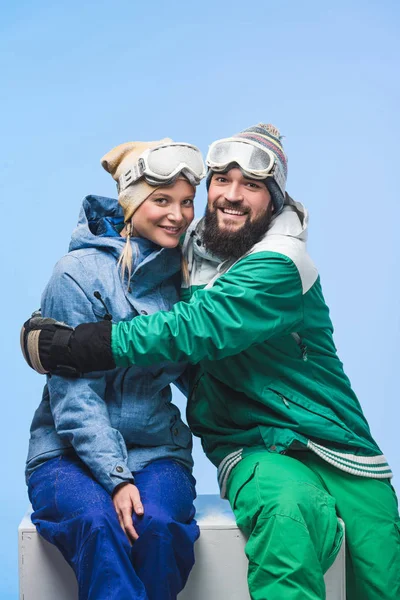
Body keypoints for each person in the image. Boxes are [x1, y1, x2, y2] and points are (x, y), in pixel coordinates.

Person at [22, 124, 400, 599]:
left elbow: (197, 329)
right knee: (283, 522)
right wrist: (42, 328)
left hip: (332, 442)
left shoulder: (279, 262)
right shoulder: (180, 254)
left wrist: (81, 345)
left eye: (253, 185)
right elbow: (128, 233)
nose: (231, 196)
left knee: (382, 577)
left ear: (276, 199)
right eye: (221, 180)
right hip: (250, 444)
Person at [23, 138, 206, 600]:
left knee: (159, 526)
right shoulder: (76, 273)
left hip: (157, 451)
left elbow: (202, 375)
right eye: (161, 200)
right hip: (65, 456)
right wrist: (117, 478)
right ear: (131, 203)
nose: (178, 215)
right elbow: (74, 396)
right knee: (99, 523)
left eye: (187, 202)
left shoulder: (187, 278)